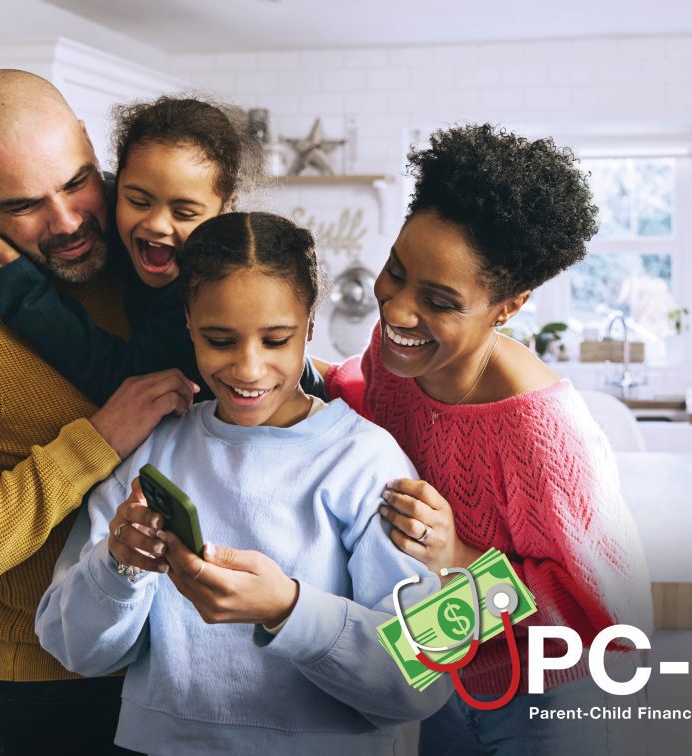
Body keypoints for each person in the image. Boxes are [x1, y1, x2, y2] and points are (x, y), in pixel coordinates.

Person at [36, 212, 449, 755]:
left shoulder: (366, 460)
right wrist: (118, 566)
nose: (248, 369)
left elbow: (425, 676)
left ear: (309, 323)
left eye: (276, 339)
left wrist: (288, 610)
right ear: (188, 323)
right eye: (219, 339)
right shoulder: (157, 447)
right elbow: (73, 648)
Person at [0, 70, 198, 755]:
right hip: (65, 694)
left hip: (210, 663)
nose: (70, 222)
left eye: (78, 182)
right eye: (23, 205)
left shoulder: (139, 247)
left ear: (90, 144)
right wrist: (98, 439)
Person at [323, 124, 654, 754]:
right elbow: (368, 399)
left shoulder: (539, 432)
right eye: (396, 270)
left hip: (541, 704)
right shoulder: (397, 354)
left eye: (440, 300)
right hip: (445, 677)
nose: (394, 311)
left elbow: (612, 613)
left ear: (509, 306)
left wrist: (458, 555)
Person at [0, 95, 325, 404]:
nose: (155, 223)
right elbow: (18, 188)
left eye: (185, 211)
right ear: (116, 186)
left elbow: (123, 378)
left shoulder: (216, 288)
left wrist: (19, 289)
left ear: (225, 209)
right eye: (138, 200)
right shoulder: (101, 210)